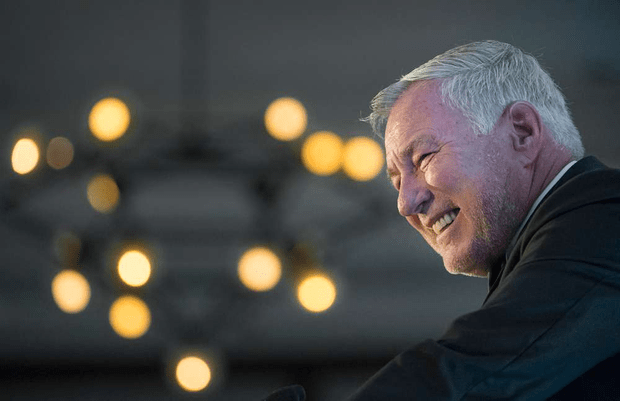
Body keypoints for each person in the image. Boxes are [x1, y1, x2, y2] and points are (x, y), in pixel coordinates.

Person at [346, 40, 620, 400]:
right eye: (397, 182)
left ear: (523, 132)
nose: (406, 203)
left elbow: (473, 376)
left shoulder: (605, 220)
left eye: (424, 157)